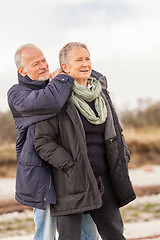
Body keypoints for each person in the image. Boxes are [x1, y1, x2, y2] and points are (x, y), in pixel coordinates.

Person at [34, 42, 136, 240]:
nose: (85, 64)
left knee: (115, 235)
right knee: (70, 237)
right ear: (64, 67)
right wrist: (70, 165)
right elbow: (42, 142)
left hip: (104, 181)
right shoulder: (56, 99)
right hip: (72, 183)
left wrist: (123, 154)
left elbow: (116, 130)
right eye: (78, 60)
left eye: (87, 58)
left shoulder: (101, 95)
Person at [7, 43, 100, 240]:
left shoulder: (57, 84)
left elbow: (90, 76)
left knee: (89, 233)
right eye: (35, 63)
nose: (43, 66)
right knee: (45, 233)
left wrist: (65, 72)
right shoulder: (17, 94)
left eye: (44, 60)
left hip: (70, 171)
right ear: (21, 71)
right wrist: (63, 76)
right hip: (42, 176)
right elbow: (50, 102)